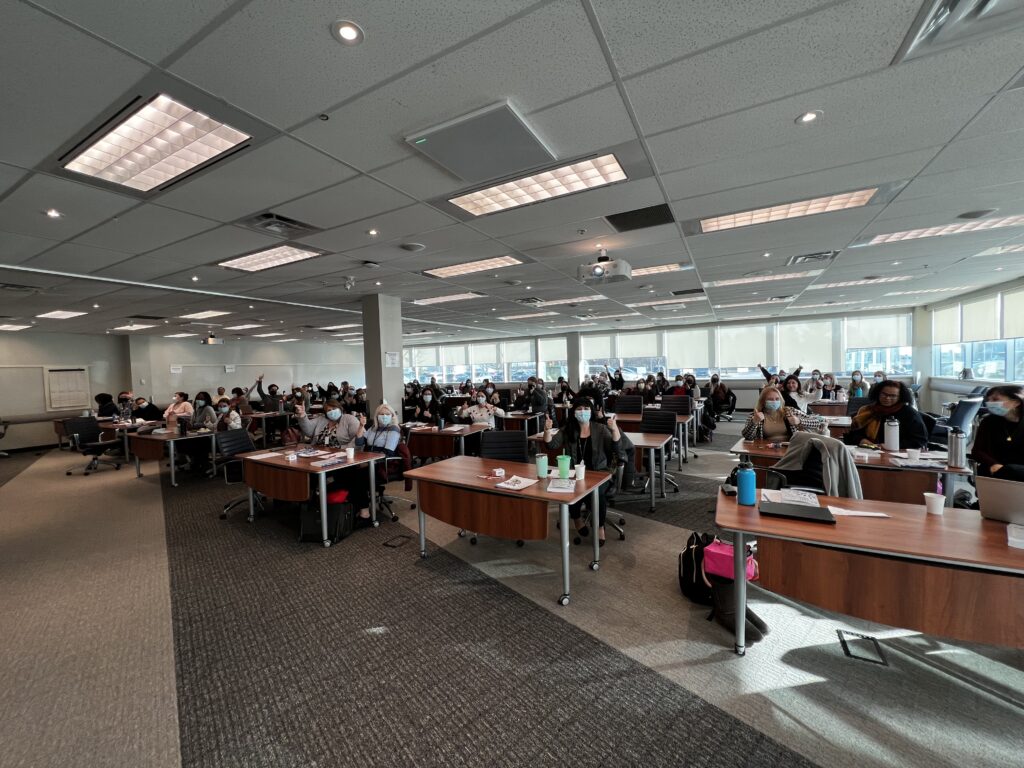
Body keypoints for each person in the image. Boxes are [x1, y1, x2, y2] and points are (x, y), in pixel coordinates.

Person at [542, 397, 621, 546]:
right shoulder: (568, 429)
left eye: (586, 409)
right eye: (579, 409)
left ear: (591, 411)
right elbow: (551, 445)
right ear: (573, 412)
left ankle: (599, 526)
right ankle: (577, 518)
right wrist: (547, 431)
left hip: (599, 473)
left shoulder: (600, 429)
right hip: (574, 472)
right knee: (570, 489)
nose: (582, 412)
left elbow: (616, 449)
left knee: (597, 493)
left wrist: (615, 429)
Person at [353, 404, 403, 524]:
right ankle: (356, 506)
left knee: (358, 476)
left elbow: (388, 453)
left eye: (387, 414)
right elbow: (359, 443)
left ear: (392, 416)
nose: (384, 416)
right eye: (381, 414)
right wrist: (361, 426)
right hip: (369, 461)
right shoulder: (373, 428)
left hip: (383, 464)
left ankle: (365, 513)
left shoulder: (394, 429)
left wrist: (368, 462)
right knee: (348, 472)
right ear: (376, 416)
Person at [844, 380, 928, 450]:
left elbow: (919, 440)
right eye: (884, 394)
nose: (887, 398)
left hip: (898, 453)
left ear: (900, 397)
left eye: (893, 396)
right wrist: (862, 441)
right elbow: (854, 434)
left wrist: (890, 446)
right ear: (878, 394)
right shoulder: (867, 410)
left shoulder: (909, 413)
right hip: (868, 451)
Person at [972, 385, 1024, 481]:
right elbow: (977, 451)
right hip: (993, 468)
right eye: (989, 399)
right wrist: (993, 464)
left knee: (1012, 470)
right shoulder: (988, 421)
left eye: (995, 399)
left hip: (1019, 471)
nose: (989, 403)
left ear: (1016, 402)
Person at [741, 387, 823, 441]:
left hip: (791, 448)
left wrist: (799, 421)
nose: (774, 401)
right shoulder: (755, 415)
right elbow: (747, 437)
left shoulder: (789, 411)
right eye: (770, 399)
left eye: (777, 399)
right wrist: (754, 422)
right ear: (763, 401)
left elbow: (817, 422)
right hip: (767, 449)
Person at [297, 398, 364, 447]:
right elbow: (308, 431)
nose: (332, 411)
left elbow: (359, 437)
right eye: (329, 410)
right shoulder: (321, 419)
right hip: (318, 453)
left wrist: (345, 450)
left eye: (334, 409)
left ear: (340, 408)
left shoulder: (349, 419)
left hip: (341, 455)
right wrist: (303, 416)